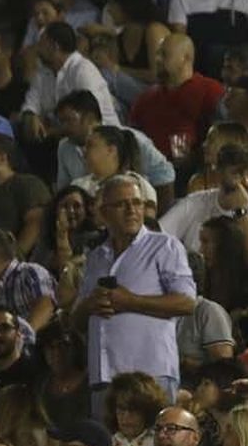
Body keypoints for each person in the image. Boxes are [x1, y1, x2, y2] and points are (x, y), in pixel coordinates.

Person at [72, 175, 196, 410]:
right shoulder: (95, 257)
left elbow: (186, 303)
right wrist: (89, 305)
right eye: (121, 204)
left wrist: (131, 301)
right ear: (104, 213)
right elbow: (77, 321)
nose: (131, 210)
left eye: (137, 203)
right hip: (104, 377)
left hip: (151, 375)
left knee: (153, 445)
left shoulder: (165, 246)